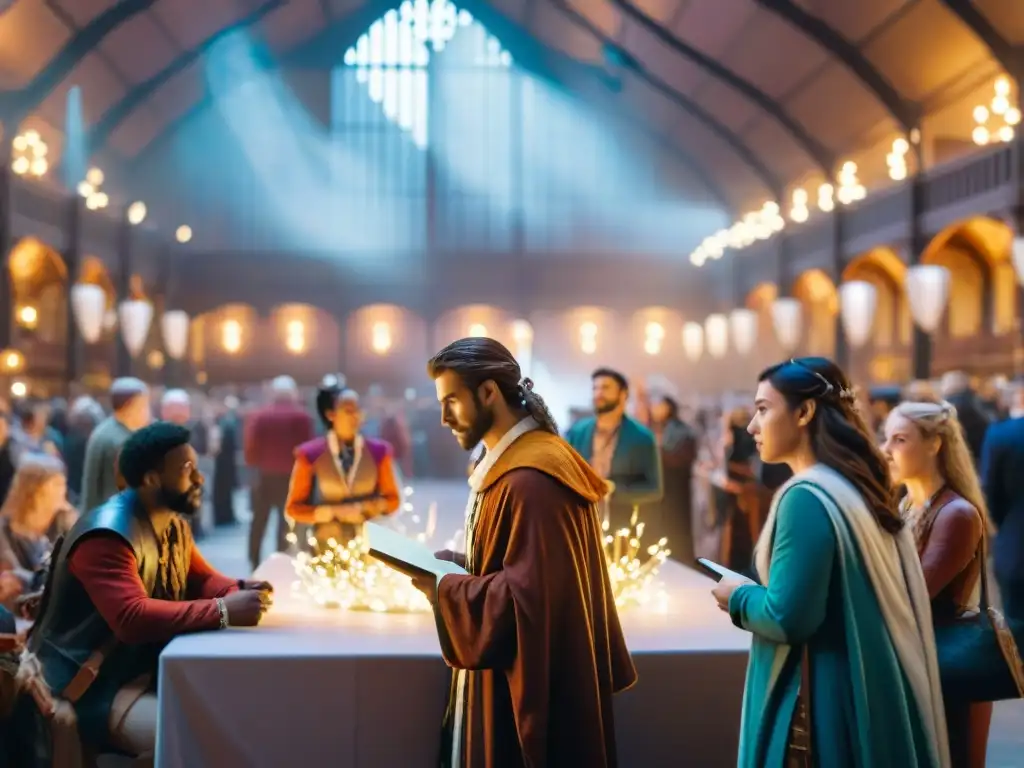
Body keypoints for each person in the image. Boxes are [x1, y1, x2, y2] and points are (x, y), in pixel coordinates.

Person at [711, 357, 948, 768]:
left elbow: (790, 618)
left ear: (804, 412)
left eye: (764, 409)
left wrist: (739, 597)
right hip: (866, 692)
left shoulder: (806, 496)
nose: (752, 426)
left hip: (822, 702)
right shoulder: (855, 485)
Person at [419, 338, 636, 768]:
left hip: (526, 695)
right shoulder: (521, 461)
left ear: (487, 393)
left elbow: (527, 604)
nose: (444, 419)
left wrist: (446, 588)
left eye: (452, 402)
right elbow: (533, 574)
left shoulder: (531, 480)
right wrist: (464, 569)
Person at [22, 422, 271, 765]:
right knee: (202, 733)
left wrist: (240, 590)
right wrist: (225, 609)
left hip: (138, 669)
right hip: (91, 684)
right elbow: (131, 618)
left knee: (238, 709)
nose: (199, 478)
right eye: (187, 469)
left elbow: (202, 579)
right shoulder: (107, 535)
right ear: (152, 478)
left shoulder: (171, 521)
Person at [883, 398, 991, 767]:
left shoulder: (955, 514)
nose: (887, 451)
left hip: (947, 670)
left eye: (899, 439)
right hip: (921, 664)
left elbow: (913, 595)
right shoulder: (908, 506)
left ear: (934, 443)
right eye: (887, 439)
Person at [284, 381, 400, 547]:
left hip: (370, 546)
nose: (355, 417)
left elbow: (393, 500)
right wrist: (331, 512)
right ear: (331, 415)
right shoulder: (309, 454)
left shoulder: (379, 451)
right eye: (348, 411)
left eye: (358, 411)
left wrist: (366, 507)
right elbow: (293, 508)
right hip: (325, 546)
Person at [564, 368, 662, 530]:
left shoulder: (642, 437)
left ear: (623, 394)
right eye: (595, 388)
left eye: (606, 387)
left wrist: (613, 491)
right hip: (579, 523)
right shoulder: (577, 432)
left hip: (622, 527)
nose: (598, 393)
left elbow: (653, 489)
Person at [245, 375, 315, 571]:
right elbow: (306, 450)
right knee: (286, 522)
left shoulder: (261, 416)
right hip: (290, 477)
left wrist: (254, 466)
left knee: (259, 520)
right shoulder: (302, 417)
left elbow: (251, 447)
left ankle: (254, 560)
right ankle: (281, 560)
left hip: (264, 475)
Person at [80, 378, 151, 514]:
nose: (148, 411)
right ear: (129, 406)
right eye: (144, 405)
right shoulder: (119, 441)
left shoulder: (104, 430)